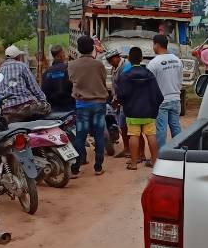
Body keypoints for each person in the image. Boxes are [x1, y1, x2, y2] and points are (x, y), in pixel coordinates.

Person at [67, 34, 109, 176]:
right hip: (99, 104)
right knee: (98, 135)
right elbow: (103, 81)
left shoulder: (72, 65)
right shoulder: (99, 64)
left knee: (80, 136)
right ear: (92, 48)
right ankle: (98, 167)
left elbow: (72, 80)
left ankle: (76, 168)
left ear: (78, 49)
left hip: (82, 105)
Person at [114, 46, 162, 169]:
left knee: (134, 135)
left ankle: (134, 163)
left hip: (132, 112)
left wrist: (126, 105)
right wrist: (153, 108)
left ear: (129, 59)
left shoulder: (125, 76)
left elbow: (120, 95)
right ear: (141, 59)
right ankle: (155, 162)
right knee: (151, 135)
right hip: (148, 112)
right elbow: (158, 95)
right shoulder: (149, 74)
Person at [0, 44, 51, 121]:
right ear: (18, 57)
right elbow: (34, 88)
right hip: (25, 107)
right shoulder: (22, 66)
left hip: (7, 111)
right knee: (47, 107)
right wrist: (43, 100)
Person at [148, 33, 184, 148]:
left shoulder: (153, 63)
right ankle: (179, 152)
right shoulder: (177, 60)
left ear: (157, 45)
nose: (153, 47)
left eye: (153, 44)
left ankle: (161, 156)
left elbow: (150, 86)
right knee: (176, 127)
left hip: (161, 101)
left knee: (161, 130)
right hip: (176, 99)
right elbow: (180, 80)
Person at [41, 43, 74, 110]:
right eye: (63, 53)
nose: (65, 55)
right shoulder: (69, 69)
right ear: (59, 56)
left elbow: (44, 91)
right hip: (69, 106)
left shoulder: (47, 72)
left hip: (53, 107)